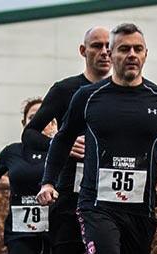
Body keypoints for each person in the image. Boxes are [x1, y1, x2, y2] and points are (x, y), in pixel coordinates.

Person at [35, 23, 157, 254]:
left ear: (146, 54)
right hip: (96, 207)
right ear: (112, 54)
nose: (132, 55)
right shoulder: (87, 97)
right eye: (124, 49)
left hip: (141, 211)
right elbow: (63, 139)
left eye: (138, 49)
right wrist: (48, 182)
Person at [19, 27, 109, 254]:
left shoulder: (125, 93)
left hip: (109, 198)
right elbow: (29, 134)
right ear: (83, 50)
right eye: (97, 46)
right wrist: (61, 145)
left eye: (110, 46)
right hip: (69, 197)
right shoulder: (64, 90)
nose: (105, 52)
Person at [0, 99, 57, 254]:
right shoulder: (12, 152)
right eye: (33, 118)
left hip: (55, 232)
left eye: (45, 118)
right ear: (24, 123)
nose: (40, 123)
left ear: (54, 124)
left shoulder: (63, 152)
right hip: (19, 234)